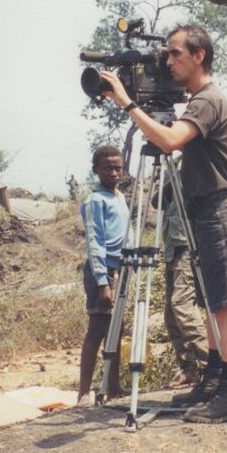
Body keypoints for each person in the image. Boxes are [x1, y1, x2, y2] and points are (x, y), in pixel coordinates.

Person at [100, 23, 227, 424]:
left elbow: (169, 141)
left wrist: (129, 105)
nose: (168, 62)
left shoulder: (208, 100)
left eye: (175, 54)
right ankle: (214, 379)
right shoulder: (201, 99)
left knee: (225, 304)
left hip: (219, 208)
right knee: (212, 301)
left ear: (199, 55)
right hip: (204, 209)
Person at [78, 145, 129, 404]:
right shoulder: (94, 201)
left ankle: (115, 387)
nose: (113, 173)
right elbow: (95, 241)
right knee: (97, 330)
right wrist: (102, 282)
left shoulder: (119, 197)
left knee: (116, 330)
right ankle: (84, 392)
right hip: (103, 271)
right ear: (96, 169)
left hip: (121, 269)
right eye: (107, 168)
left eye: (118, 168)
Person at [160, 159, 208, 388]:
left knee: (182, 304)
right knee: (171, 315)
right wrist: (171, 176)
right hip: (172, 244)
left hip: (189, 244)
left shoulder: (200, 162)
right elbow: (156, 202)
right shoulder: (175, 165)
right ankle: (188, 367)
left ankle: (215, 363)